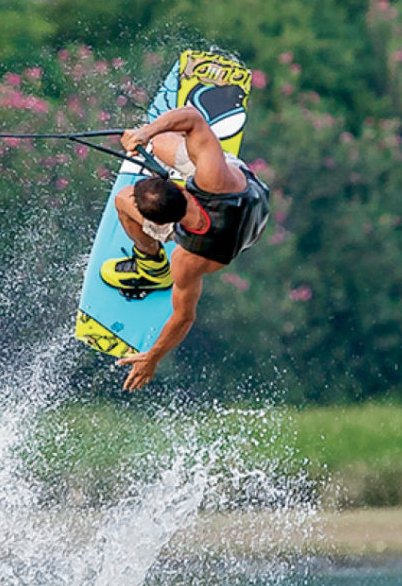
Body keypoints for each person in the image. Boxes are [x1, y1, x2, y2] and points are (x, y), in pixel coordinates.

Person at [101, 104, 273, 390]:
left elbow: (184, 317)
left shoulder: (187, 260)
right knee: (161, 141)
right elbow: (194, 117)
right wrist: (147, 133)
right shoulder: (213, 178)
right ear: (180, 187)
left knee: (122, 200)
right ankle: (193, 145)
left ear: (155, 224)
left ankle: (150, 266)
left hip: (231, 241)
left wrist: (152, 358)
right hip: (256, 208)